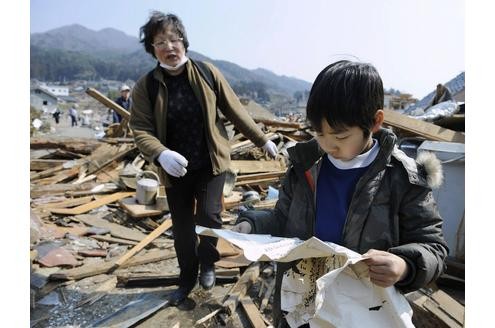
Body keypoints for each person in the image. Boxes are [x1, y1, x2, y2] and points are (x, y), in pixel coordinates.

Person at [232, 60, 448, 327]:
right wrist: (250, 225)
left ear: (375, 122)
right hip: (302, 303)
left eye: (340, 136)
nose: (327, 144)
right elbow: (282, 220)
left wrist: (405, 266)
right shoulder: (304, 166)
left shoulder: (403, 177)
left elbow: (433, 247)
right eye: (318, 133)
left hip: (363, 311)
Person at [129, 11, 278, 306]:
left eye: (174, 39)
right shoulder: (146, 86)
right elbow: (140, 129)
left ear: (184, 42)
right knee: (183, 228)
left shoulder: (207, 73)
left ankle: (208, 263)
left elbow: (236, 110)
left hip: (210, 163)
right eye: (160, 42)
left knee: (209, 217)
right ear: (152, 49)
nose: (169, 46)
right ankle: (187, 277)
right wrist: (161, 153)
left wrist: (262, 140)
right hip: (174, 169)